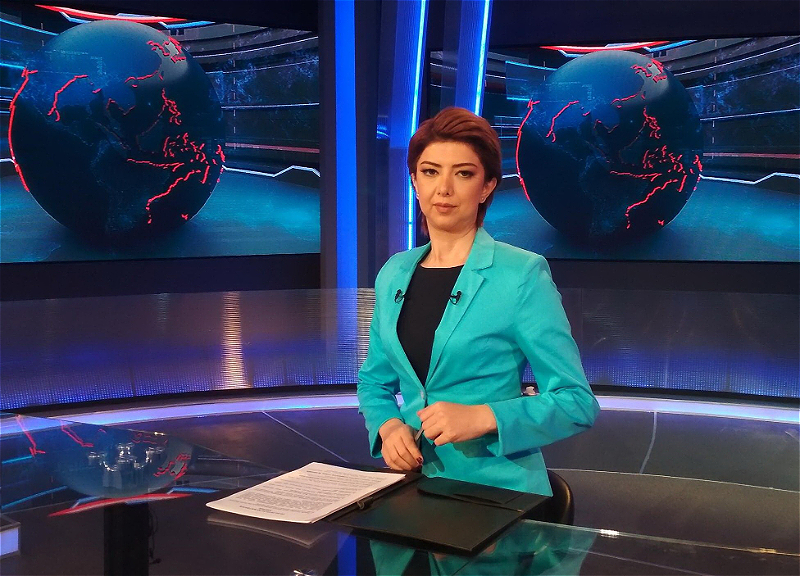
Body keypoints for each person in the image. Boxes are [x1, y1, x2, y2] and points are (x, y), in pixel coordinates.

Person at [357, 107, 599, 496]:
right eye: (430, 172)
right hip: (411, 488)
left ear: (486, 187)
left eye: (463, 174)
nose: (444, 188)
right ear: (415, 181)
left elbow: (576, 403)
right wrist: (387, 426)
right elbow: (373, 381)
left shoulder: (521, 274)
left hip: (496, 493)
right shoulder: (394, 272)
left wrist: (485, 417)